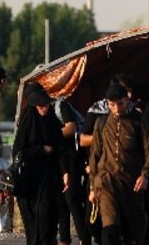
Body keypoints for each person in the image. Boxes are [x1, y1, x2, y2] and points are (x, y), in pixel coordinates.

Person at [88, 81, 149, 245]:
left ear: (127, 100)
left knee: (132, 235)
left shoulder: (138, 122)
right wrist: (92, 187)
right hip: (106, 183)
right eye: (112, 105)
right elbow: (94, 155)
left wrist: (145, 175)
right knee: (110, 231)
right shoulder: (101, 123)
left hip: (131, 185)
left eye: (120, 104)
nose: (117, 108)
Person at [14, 86, 68, 245]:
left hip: (49, 179)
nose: (44, 109)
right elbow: (19, 152)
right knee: (33, 224)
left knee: (47, 219)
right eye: (40, 106)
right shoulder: (28, 123)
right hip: (29, 182)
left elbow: (61, 148)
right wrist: (41, 149)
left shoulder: (52, 122)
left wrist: (65, 172)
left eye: (47, 105)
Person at [54, 96, 90, 245]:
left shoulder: (60, 105)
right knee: (62, 202)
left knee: (72, 200)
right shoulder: (41, 109)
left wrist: (50, 136)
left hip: (72, 158)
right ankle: (64, 240)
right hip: (59, 159)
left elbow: (71, 127)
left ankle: (84, 238)